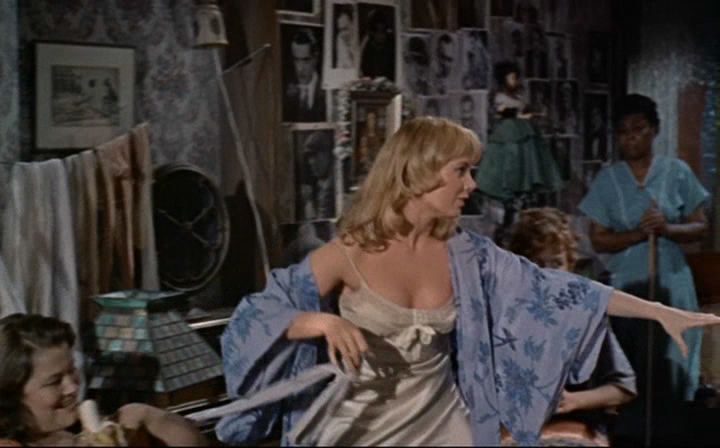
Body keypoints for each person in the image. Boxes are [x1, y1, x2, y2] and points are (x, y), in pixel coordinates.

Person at [215, 116, 720, 446]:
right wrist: (320, 322)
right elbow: (258, 314)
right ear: (420, 172)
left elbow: (565, 291)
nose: (472, 185)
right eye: (462, 171)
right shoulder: (348, 252)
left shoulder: (469, 255)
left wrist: (660, 313)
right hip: (358, 425)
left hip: (441, 422)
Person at [578, 93, 711, 443]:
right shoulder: (608, 180)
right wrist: (639, 233)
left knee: (672, 368)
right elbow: (599, 240)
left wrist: (667, 228)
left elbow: (700, 226)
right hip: (628, 288)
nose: (631, 138)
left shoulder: (676, 172)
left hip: (672, 284)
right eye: (623, 132)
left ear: (654, 130)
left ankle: (671, 438)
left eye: (639, 129)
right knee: (630, 368)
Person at [507, 208, 637, 446]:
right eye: (537, 263)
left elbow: (623, 387)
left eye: (556, 263)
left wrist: (574, 401)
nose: (547, 273)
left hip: (576, 427)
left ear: (570, 265)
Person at [0, 313, 207, 446]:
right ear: (12, 393)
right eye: (54, 382)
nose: (72, 387)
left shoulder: (79, 431)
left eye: (72, 370)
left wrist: (149, 416)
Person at [473, 61, 563, 245]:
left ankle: (521, 207)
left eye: (516, 77)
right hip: (509, 135)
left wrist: (534, 115)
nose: (515, 81)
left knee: (525, 170)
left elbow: (523, 109)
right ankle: (507, 219)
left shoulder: (519, 95)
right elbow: (503, 113)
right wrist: (522, 116)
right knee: (510, 169)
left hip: (523, 135)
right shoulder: (500, 96)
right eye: (512, 77)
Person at [284, 28, 326, 122]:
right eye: (296, 60)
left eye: (305, 60)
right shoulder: (284, 91)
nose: (300, 68)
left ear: (315, 58)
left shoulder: (327, 92)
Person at [298, 130, 334, 220]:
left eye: (315, 155)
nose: (311, 162)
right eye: (309, 157)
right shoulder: (321, 182)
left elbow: (322, 220)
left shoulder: (330, 186)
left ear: (327, 154)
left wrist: (309, 202)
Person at [360, 8, 395, 81]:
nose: (381, 35)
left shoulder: (392, 43)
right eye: (377, 30)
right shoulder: (367, 45)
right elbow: (364, 72)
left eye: (383, 30)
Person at [334, 5, 355, 69]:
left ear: (353, 25)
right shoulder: (340, 38)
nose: (342, 34)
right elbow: (340, 66)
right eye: (340, 30)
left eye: (345, 29)